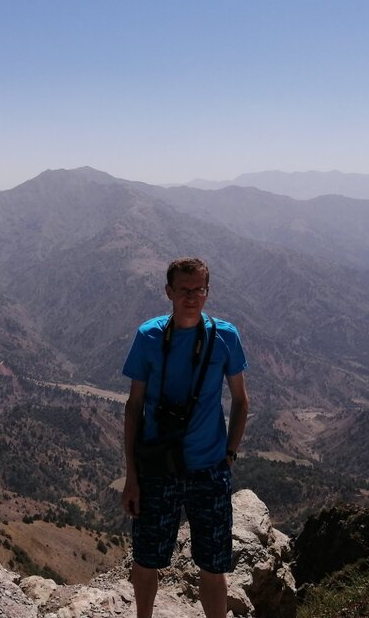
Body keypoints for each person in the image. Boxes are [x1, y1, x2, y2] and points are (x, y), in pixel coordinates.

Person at [121, 257, 249, 618]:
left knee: (213, 564)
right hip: (158, 466)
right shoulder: (149, 336)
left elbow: (241, 401)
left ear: (207, 292)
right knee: (146, 559)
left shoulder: (225, 337)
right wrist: (132, 476)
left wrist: (230, 455)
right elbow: (134, 406)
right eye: (184, 290)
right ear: (169, 291)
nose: (191, 297)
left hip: (209, 468)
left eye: (198, 289)